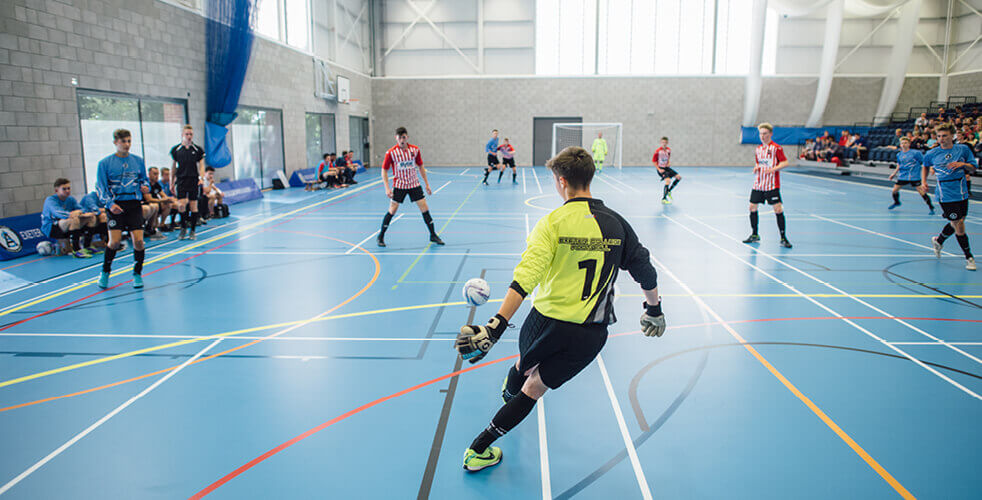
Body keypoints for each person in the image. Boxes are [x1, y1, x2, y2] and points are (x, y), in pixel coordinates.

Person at [455, 146, 666, 472]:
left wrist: (496, 326)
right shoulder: (617, 225)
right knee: (534, 389)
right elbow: (644, 270)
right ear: (589, 178)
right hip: (589, 335)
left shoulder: (552, 223)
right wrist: (654, 309)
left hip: (543, 324)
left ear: (561, 181)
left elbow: (524, 279)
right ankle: (478, 449)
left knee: (523, 369)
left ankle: (508, 394)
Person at [96, 128, 151, 289]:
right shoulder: (104, 164)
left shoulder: (138, 161)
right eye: (123, 141)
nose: (127, 145)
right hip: (115, 205)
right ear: (115, 142)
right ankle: (105, 272)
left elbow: (144, 180)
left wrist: (145, 187)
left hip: (133, 204)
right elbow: (100, 188)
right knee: (114, 242)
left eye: (129, 141)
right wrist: (110, 205)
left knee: (139, 241)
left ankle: (137, 273)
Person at [922, 123, 978, 270]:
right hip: (944, 194)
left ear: (951, 136)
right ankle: (969, 257)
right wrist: (924, 181)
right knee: (959, 225)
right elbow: (925, 165)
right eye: (939, 136)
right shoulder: (932, 153)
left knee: (958, 221)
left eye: (944, 135)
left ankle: (939, 240)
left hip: (961, 192)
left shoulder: (963, 149)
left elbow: (973, 167)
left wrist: (962, 164)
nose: (941, 139)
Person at [377, 126, 444, 247]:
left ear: (407, 137)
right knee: (392, 211)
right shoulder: (391, 152)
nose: (402, 140)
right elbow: (384, 170)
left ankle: (433, 235)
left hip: (414, 184)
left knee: (425, 209)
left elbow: (421, 166)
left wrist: (427, 184)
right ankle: (381, 236)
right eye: (399, 138)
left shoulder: (415, 150)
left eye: (404, 137)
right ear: (396, 138)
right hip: (399, 186)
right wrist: (387, 188)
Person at [744, 123, 792, 248]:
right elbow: (758, 163)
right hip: (759, 183)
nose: (762, 136)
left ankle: (783, 237)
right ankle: (755, 234)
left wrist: (773, 169)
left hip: (771, 184)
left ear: (770, 134)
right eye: (761, 133)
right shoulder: (758, 149)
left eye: (765, 133)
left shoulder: (777, 148)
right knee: (752, 207)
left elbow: (785, 162)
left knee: (778, 209)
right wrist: (756, 168)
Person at [41, 178, 96, 258]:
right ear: (56, 190)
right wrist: (72, 214)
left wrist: (82, 213)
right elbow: (59, 213)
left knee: (91, 218)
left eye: (68, 188)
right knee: (74, 220)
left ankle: (87, 246)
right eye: (64, 189)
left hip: (65, 224)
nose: (67, 191)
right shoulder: (50, 200)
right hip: (51, 227)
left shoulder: (70, 199)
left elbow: (81, 209)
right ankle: (76, 250)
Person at [170, 124, 205, 240]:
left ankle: (193, 230)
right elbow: (173, 167)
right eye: (187, 134)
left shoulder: (197, 150)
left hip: (193, 180)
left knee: (193, 206)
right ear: (182, 135)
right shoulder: (176, 150)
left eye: (191, 134)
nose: (189, 136)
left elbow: (201, 165)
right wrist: (171, 182)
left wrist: (201, 178)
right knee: (181, 205)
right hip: (181, 180)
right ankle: (183, 228)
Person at [888, 137, 934, 213]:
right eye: (902, 143)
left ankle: (931, 207)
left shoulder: (916, 153)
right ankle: (897, 202)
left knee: (922, 192)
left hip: (914, 176)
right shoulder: (899, 154)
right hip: (903, 176)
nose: (903, 144)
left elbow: (924, 162)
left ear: (909, 144)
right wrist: (894, 173)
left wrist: (931, 168)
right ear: (900, 144)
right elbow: (899, 164)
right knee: (894, 191)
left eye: (905, 143)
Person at [652, 136, 681, 204]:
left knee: (678, 177)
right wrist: (659, 169)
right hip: (661, 168)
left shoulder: (668, 150)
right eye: (662, 142)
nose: (664, 144)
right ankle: (664, 199)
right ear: (660, 143)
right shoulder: (658, 151)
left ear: (667, 143)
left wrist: (668, 162)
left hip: (666, 168)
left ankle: (668, 191)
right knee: (668, 181)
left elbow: (668, 157)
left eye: (665, 142)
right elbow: (654, 161)